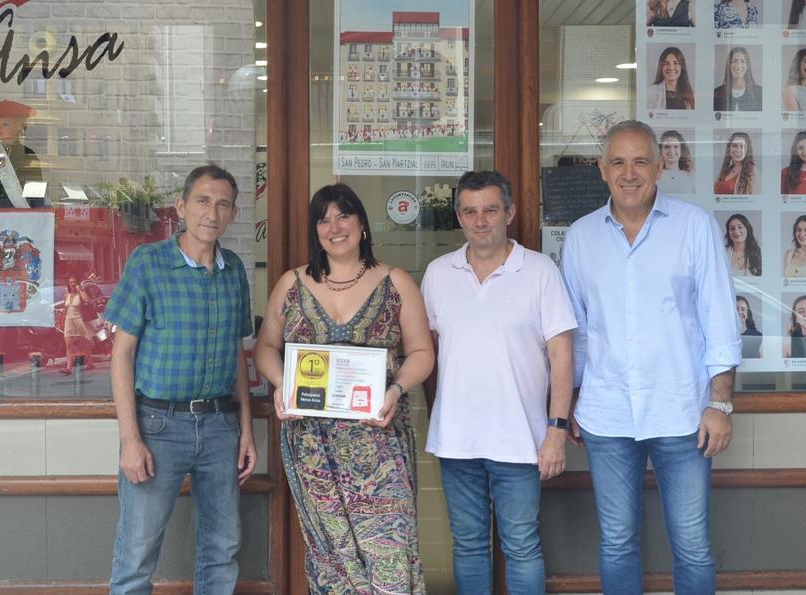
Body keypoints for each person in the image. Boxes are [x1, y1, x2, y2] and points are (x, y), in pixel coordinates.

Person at [561, 120, 740, 595]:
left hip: (682, 412)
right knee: (617, 542)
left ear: (660, 166)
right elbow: (577, 332)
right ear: (602, 170)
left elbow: (720, 320)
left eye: (640, 160)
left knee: (693, 545)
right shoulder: (580, 238)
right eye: (618, 161)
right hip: (607, 414)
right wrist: (571, 401)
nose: (629, 172)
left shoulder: (693, 226)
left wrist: (720, 405)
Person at [254, 183, 433, 593]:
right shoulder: (292, 284)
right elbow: (266, 346)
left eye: (343, 215)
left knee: (390, 554)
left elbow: (421, 351)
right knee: (333, 564)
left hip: (379, 445)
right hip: (313, 448)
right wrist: (284, 385)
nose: (334, 226)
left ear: (362, 225)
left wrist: (397, 389)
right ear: (315, 231)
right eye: (323, 218)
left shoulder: (396, 281)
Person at [421, 170, 576, 595]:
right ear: (458, 217)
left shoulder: (540, 271)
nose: (481, 220)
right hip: (457, 439)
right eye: (470, 211)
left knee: (522, 546)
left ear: (509, 212)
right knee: (469, 546)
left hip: (520, 440)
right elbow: (427, 355)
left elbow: (563, 357)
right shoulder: (438, 273)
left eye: (491, 209)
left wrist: (556, 432)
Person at [107, 165, 257, 594]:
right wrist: (129, 440)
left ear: (232, 213)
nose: (212, 212)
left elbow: (236, 355)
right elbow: (122, 354)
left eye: (223, 203)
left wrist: (245, 430)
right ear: (181, 207)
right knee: (137, 551)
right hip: (158, 427)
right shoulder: (149, 263)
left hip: (219, 428)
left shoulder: (234, 273)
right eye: (203, 201)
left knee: (222, 547)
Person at [61, 276, 95, 375]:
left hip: (78, 319)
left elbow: (87, 300)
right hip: (69, 320)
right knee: (68, 344)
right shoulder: (66, 295)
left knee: (85, 343)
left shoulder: (80, 293)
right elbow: (65, 307)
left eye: (74, 282)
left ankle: (90, 361)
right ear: (68, 284)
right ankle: (69, 368)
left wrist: (79, 290)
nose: (72, 284)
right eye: (71, 282)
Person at [713, 46, 762, 112]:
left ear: (747, 66)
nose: (738, 66)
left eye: (742, 61)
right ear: (729, 65)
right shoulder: (717, 93)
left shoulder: (759, 92)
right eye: (735, 61)